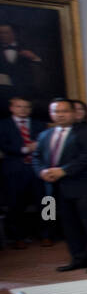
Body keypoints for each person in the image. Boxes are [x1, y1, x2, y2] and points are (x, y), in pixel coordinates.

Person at [32, 98, 87, 272]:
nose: (59, 115)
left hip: (85, 187)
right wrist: (42, 171)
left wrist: (64, 170)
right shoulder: (45, 135)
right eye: (56, 112)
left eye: (64, 111)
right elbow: (36, 157)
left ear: (73, 113)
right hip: (57, 189)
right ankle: (78, 258)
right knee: (69, 226)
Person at [0, 96, 48, 247]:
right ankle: (17, 237)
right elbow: (3, 145)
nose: (23, 110)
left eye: (26, 107)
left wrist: (37, 148)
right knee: (15, 204)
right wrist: (26, 149)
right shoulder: (3, 125)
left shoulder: (40, 125)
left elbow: (47, 144)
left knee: (47, 202)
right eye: (19, 106)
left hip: (38, 169)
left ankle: (47, 234)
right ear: (12, 108)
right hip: (14, 170)